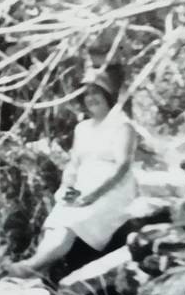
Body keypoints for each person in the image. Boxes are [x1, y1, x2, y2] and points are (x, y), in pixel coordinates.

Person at [7, 65, 138, 279]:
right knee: (58, 219)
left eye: (95, 92)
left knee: (74, 221)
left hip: (113, 191)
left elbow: (122, 166)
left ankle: (30, 266)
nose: (90, 98)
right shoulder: (83, 128)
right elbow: (74, 163)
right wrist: (66, 186)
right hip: (82, 188)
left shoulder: (122, 126)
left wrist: (94, 194)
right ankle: (39, 269)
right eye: (86, 94)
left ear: (107, 95)